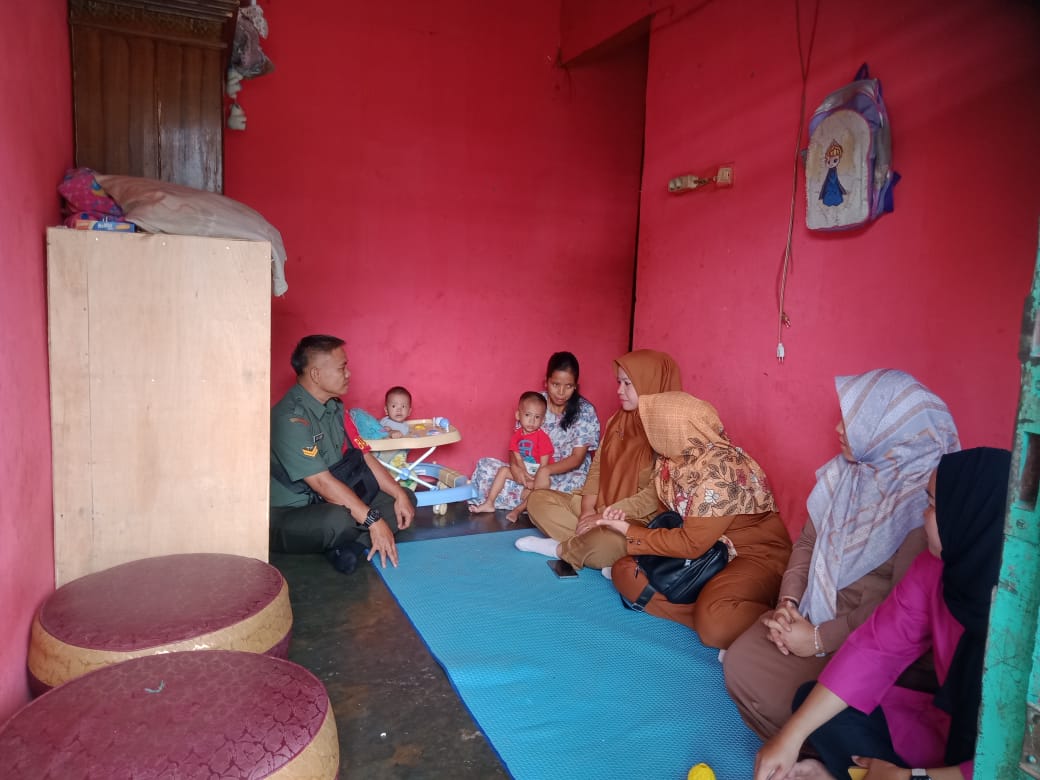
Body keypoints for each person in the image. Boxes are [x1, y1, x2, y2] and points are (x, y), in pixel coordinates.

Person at [724, 369, 960, 740]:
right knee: (741, 660)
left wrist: (818, 639)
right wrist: (788, 604)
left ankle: (817, 743)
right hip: (813, 609)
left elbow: (897, 613)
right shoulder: (847, 475)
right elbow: (807, 543)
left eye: (853, 421)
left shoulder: (924, 510)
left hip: (864, 637)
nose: (838, 428)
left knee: (791, 698)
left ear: (888, 432)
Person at [753, 447, 1011, 780]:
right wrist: (791, 736)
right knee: (815, 710)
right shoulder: (936, 569)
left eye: (933, 505)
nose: (923, 515)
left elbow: (1016, 764)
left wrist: (911, 778)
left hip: (996, 766)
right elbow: (876, 648)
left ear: (969, 518)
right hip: (945, 729)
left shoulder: (1021, 625)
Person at [594, 391, 791, 649]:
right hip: (702, 555)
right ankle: (709, 614)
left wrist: (630, 530)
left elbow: (691, 544)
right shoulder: (672, 461)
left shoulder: (723, 469)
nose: (649, 430)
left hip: (750, 556)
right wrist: (627, 524)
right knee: (624, 571)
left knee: (715, 623)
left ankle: (728, 618)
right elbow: (671, 521)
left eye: (653, 424)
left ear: (671, 428)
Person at [516, 349, 681, 570]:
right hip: (601, 506)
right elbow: (597, 469)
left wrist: (603, 517)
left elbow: (653, 497)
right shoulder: (617, 420)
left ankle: (561, 549)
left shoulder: (666, 433)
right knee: (537, 501)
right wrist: (588, 510)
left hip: (633, 520)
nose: (619, 390)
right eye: (619, 382)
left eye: (627, 384)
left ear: (649, 383)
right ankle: (588, 546)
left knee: (608, 543)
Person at [269, 335, 417, 574]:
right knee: (340, 520)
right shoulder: (290, 419)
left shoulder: (334, 407)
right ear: (316, 374)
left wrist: (398, 493)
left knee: (404, 499)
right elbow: (321, 483)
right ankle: (355, 538)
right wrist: (373, 520)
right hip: (292, 512)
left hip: (332, 496)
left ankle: (348, 547)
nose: (348, 374)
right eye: (342, 368)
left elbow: (363, 455)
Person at [469, 351, 600, 512]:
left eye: (568, 386)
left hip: (566, 474)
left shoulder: (585, 411)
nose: (561, 392)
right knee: (486, 469)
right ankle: (532, 502)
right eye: (555, 384)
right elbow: (517, 442)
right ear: (546, 382)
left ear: (576, 386)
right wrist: (516, 468)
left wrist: (546, 471)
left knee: (572, 492)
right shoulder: (535, 402)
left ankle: (534, 501)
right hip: (530, 468)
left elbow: (577, 459)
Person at [469, 392, 554, 522]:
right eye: (527, 415)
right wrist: (522, 474)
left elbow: (544, 466)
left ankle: (517, 510)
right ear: (518, 415)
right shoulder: (517, 435)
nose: (532, 421)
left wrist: (532, 482)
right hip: (523, 470)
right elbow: (518, 459)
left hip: (538, 472)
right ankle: (489, 503)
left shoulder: (543, 438)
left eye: (537, 417)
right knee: (503, 470)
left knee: (544, 485)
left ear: (543, 420)